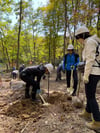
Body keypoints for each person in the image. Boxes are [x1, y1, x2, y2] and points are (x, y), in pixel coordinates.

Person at [75, 26, 100, 131]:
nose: (79, 41)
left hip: (92, 72)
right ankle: (87, 112)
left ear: (82, 36)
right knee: (89, 93)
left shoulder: (90, 42)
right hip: (95, 71)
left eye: (78, 38)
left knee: (91, 97)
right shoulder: (94, 41)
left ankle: (97, 122)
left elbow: (90, 59)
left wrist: (86, 75)